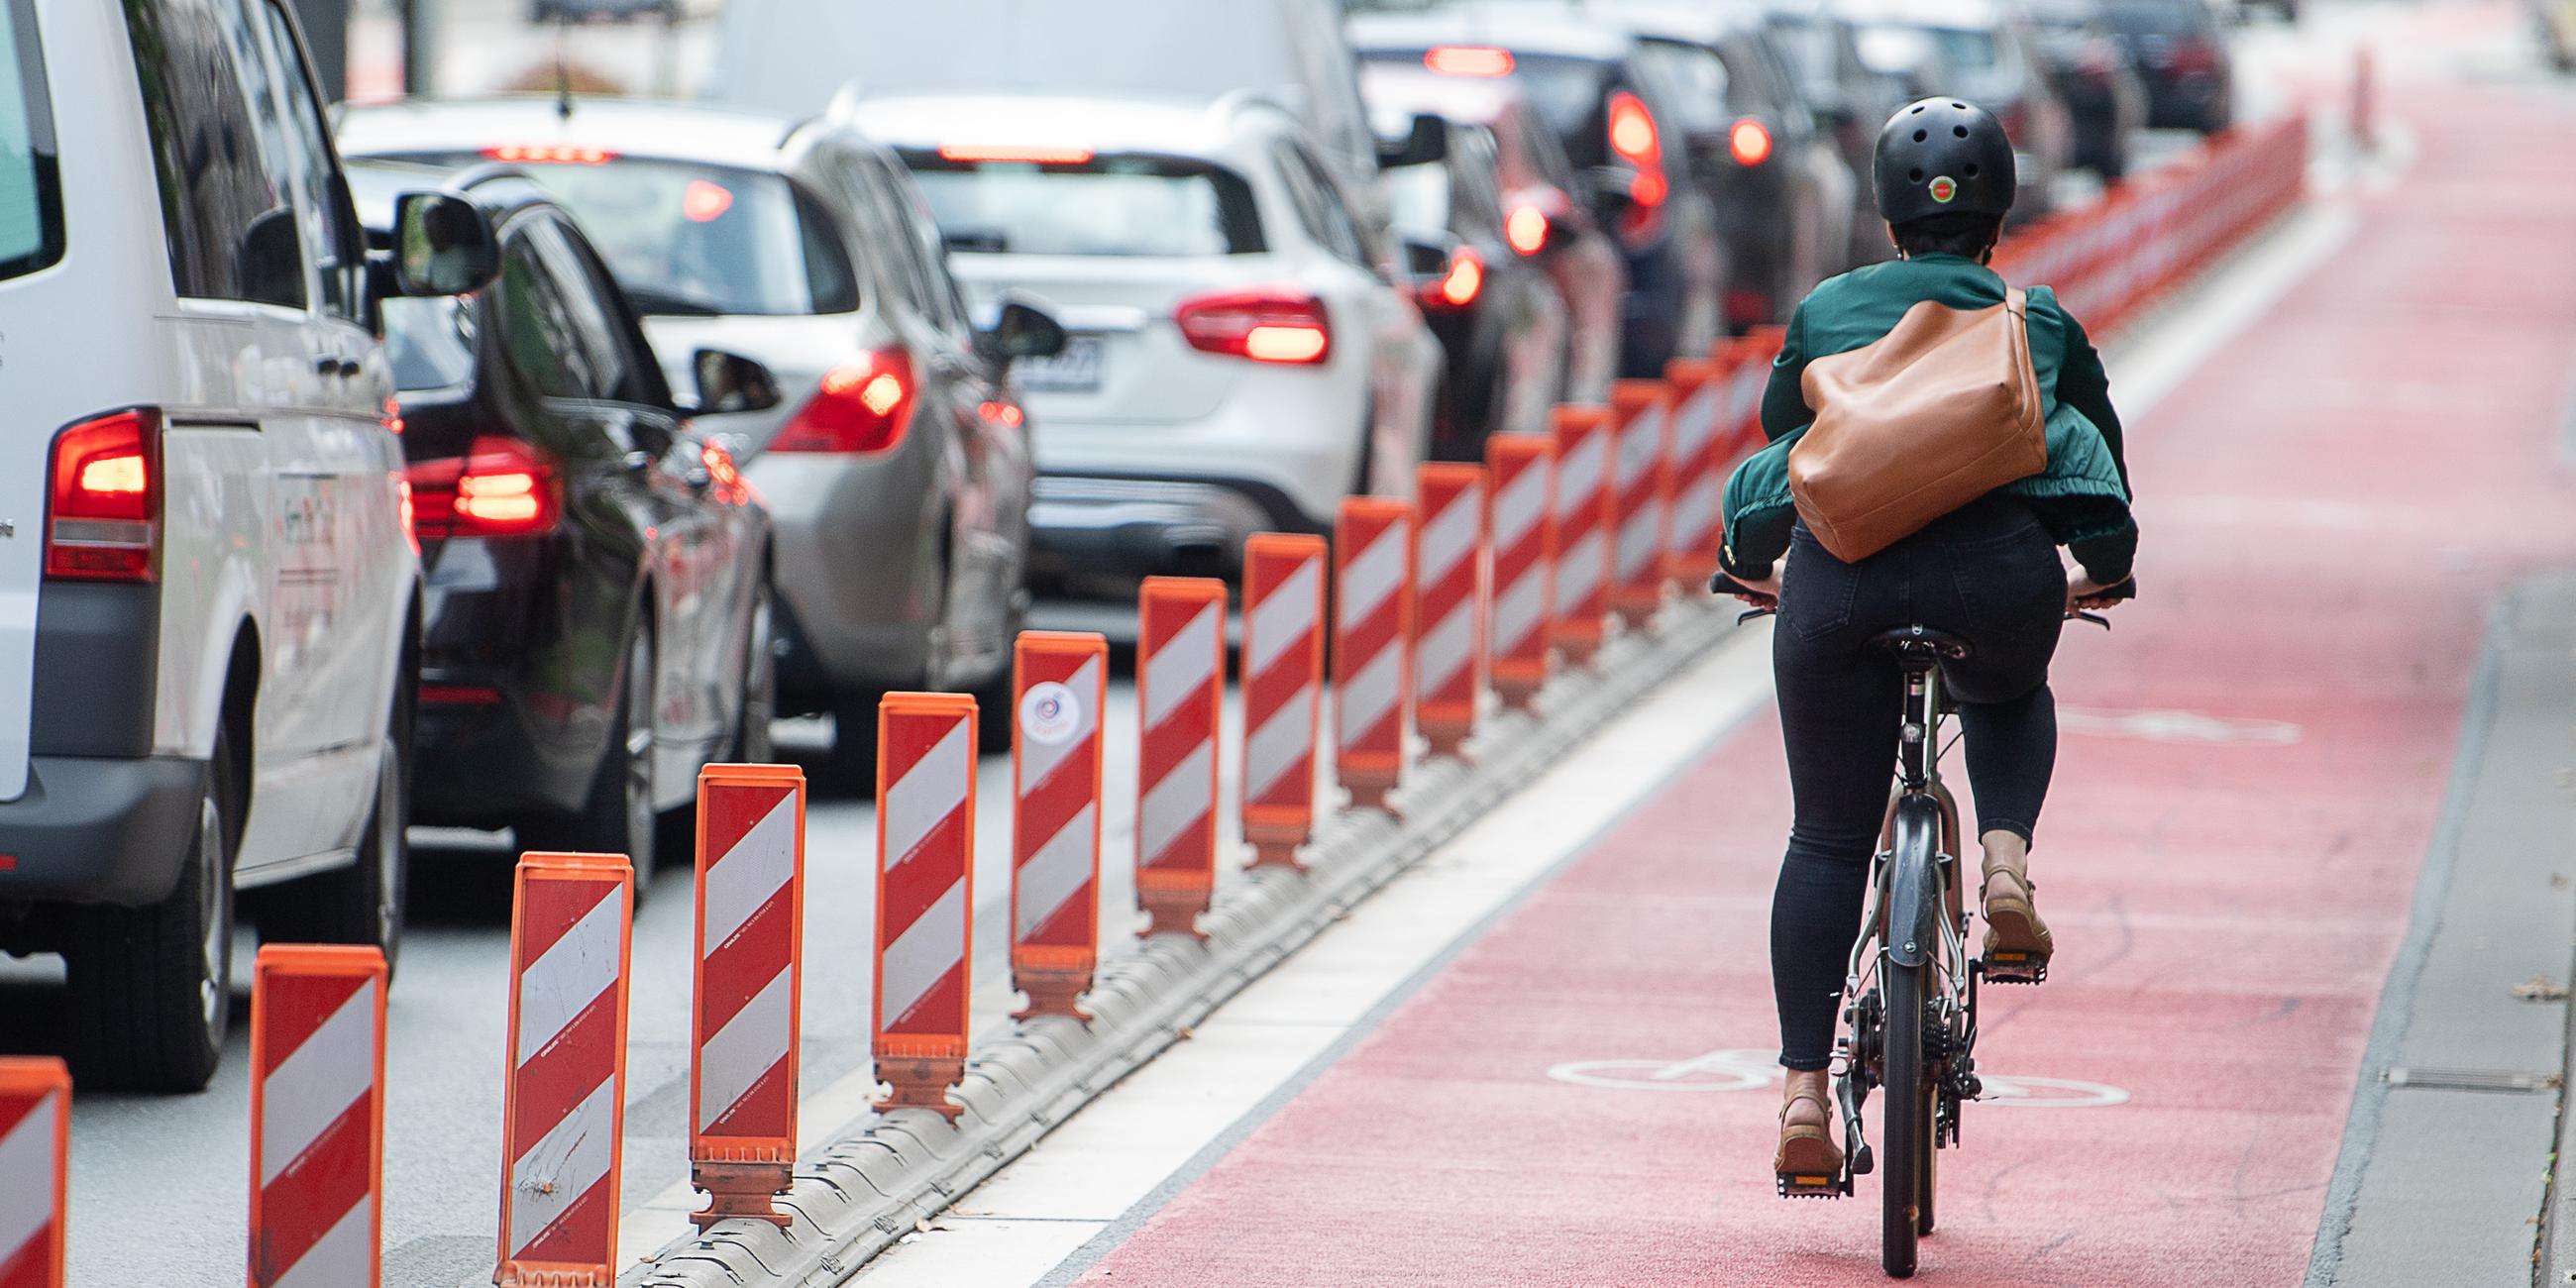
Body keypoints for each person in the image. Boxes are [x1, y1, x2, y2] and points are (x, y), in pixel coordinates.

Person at [1713, 97, 2138, 1189]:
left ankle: (1805, 1094)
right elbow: (2091, 461)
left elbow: (1786, 453)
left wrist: (1747, 556)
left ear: (1884, 216)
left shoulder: (1822, 311)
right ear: (1996, 213)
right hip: (1992, 578)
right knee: (2004, 690)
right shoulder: (2032, 318)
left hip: (1837, 589)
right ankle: (2002, 864)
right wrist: (2104, 562)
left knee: (1822, 839)